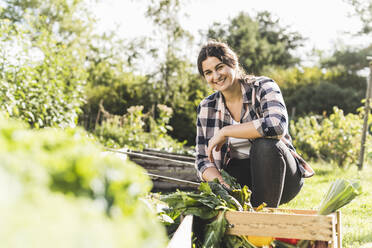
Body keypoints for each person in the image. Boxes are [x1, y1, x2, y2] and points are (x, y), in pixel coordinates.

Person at [195, 41, 314, 208]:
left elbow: (277, 125)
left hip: (283, 176)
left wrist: (226, 131)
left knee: (264, 144)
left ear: (233, 63)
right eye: (208, 72)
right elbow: (202, 159)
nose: (216, 76)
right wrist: (222, 184)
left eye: (220, 67)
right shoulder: (207, 108)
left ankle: (262, 222)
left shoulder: (263, 87)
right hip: (242, 181)